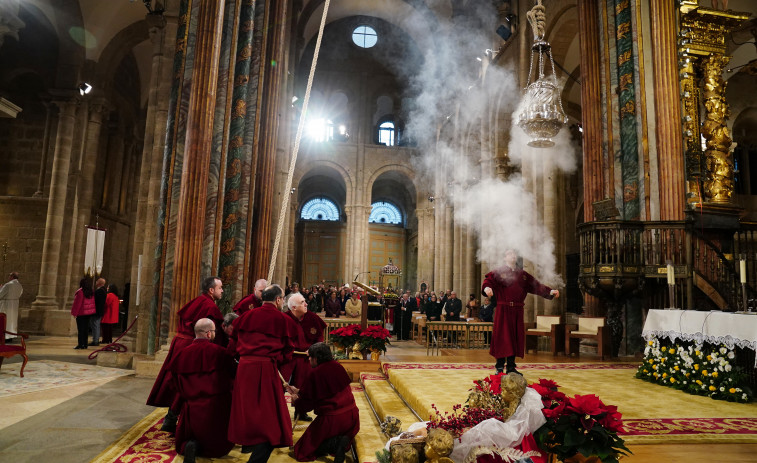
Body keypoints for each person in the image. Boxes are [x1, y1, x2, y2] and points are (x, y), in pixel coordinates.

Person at [146, 276, 226, 432]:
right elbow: (211, 334)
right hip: (192, 347)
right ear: (211, 290)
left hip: (180, 344)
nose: (222, 290)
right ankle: (172, 418)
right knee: (188, 383)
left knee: (177, 381)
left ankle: (171, 417)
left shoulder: (198, 301)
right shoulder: (209, 306)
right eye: (220, 288)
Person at [228, 284, 297, 463]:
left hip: (244, 368)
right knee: (271, 417)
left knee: (247, 410)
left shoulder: (245, 317)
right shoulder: (282, 320)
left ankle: (249, 444)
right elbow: (288, 351)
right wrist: (276, 359)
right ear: (278, 300)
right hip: (266, 368)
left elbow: (233, 344)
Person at [483, 249, 559, 375]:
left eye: (514, 254)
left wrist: (550, 291)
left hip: (517, 310)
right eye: (509, 254)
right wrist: (487, 288)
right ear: (504, 257)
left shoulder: (522, 274)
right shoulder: (499, 272)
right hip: (503, 309)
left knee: (514, 338)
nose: (512, 256)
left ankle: (511, 367)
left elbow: (536, 286)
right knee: (503, 338)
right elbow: (488, 280)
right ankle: (500, 367)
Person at [169, 318, 235, 463]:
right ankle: (202, 446)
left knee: (191, 435)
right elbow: (233, 375)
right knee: (217, 441)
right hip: (216, 405)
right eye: (214, 331)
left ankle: (191, 444)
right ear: (208, 333)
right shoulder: (221, 353)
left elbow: (174, 381)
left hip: (191, 405)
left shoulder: (181, 354)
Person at [292, 342, 359, 463]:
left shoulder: (315, 373)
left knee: (301, 450)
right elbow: (322, 391)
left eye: (310, 357)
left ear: (316, 359)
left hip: (332, 420)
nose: (309, 359)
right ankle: (340, 441)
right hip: (352, 417)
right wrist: (299, 391)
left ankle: (335, 444)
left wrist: (296, 400)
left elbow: (307, 405)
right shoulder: (337, 366)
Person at [281, 292, 314, 421]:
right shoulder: (286, 320)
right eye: (302, 302)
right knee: (283, 386)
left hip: (301, 359)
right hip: (289, 359)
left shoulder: (299, 320)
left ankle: (300, 411)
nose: (306, 304)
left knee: (302, 384)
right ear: (293, 307)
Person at [71, 278, 96, 349]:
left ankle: (80, 344)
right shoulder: (91, 291)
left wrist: (74, 313)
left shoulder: (81, 292)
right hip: (88, 313)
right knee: (85, 329)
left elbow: (77, 303)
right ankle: (85, 344)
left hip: (81, 313)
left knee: (80, 329)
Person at [0, 272, 23, 342]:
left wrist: (0, 288)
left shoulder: (8, 285)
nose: (8, 277)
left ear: (12, 276)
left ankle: (4, 337)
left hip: (6, 305)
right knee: (12, 321)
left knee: (5, 321)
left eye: (9, 276)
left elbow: (0, 295)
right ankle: (10, 336)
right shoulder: (19, 285)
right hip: (15, 305)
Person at [90, 277, 107, 346]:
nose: (96, 282)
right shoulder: (103, 290)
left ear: (99, 283)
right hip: (98, 311)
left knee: (95, 326)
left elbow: (96, 301)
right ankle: (95, 339)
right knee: (95, 325)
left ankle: (95, 341)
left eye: (97, 281)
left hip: (97, 311)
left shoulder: (100, 291)